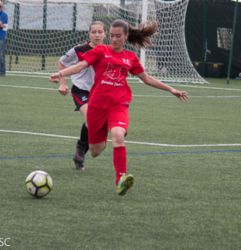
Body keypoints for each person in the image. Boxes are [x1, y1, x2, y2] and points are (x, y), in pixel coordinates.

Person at [49, 19, 189, 196]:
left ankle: (121, 179)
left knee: (118, 136)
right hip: (97, 106)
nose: (114, 39)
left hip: (119, 103)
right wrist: (60, 74)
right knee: (95, 151)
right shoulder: (100, 50)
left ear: (126, 37)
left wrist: (171, 89)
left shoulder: (130, 57)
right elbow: (80, 65)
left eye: (118, 36)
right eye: (112, 36)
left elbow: (146, 79)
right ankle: (108, 132)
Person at [55, 21, 106, 170]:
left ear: (104, 34)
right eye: (94, 32)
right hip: (81, 90)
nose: (97, 35)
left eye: (100, 32)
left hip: (100, 93)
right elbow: (62, 63)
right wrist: (62, 83)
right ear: (89, 34)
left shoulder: (109, 51)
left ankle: (80, 151)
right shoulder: (79, 50)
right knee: (91, 118)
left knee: (95, 123)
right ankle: (81, 150)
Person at [0, 1, 8, 76]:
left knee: (1, 55)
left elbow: (5, 27)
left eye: (0, 6)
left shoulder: (5, 15)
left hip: (2, 38)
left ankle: (2, 72)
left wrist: (1, 24)